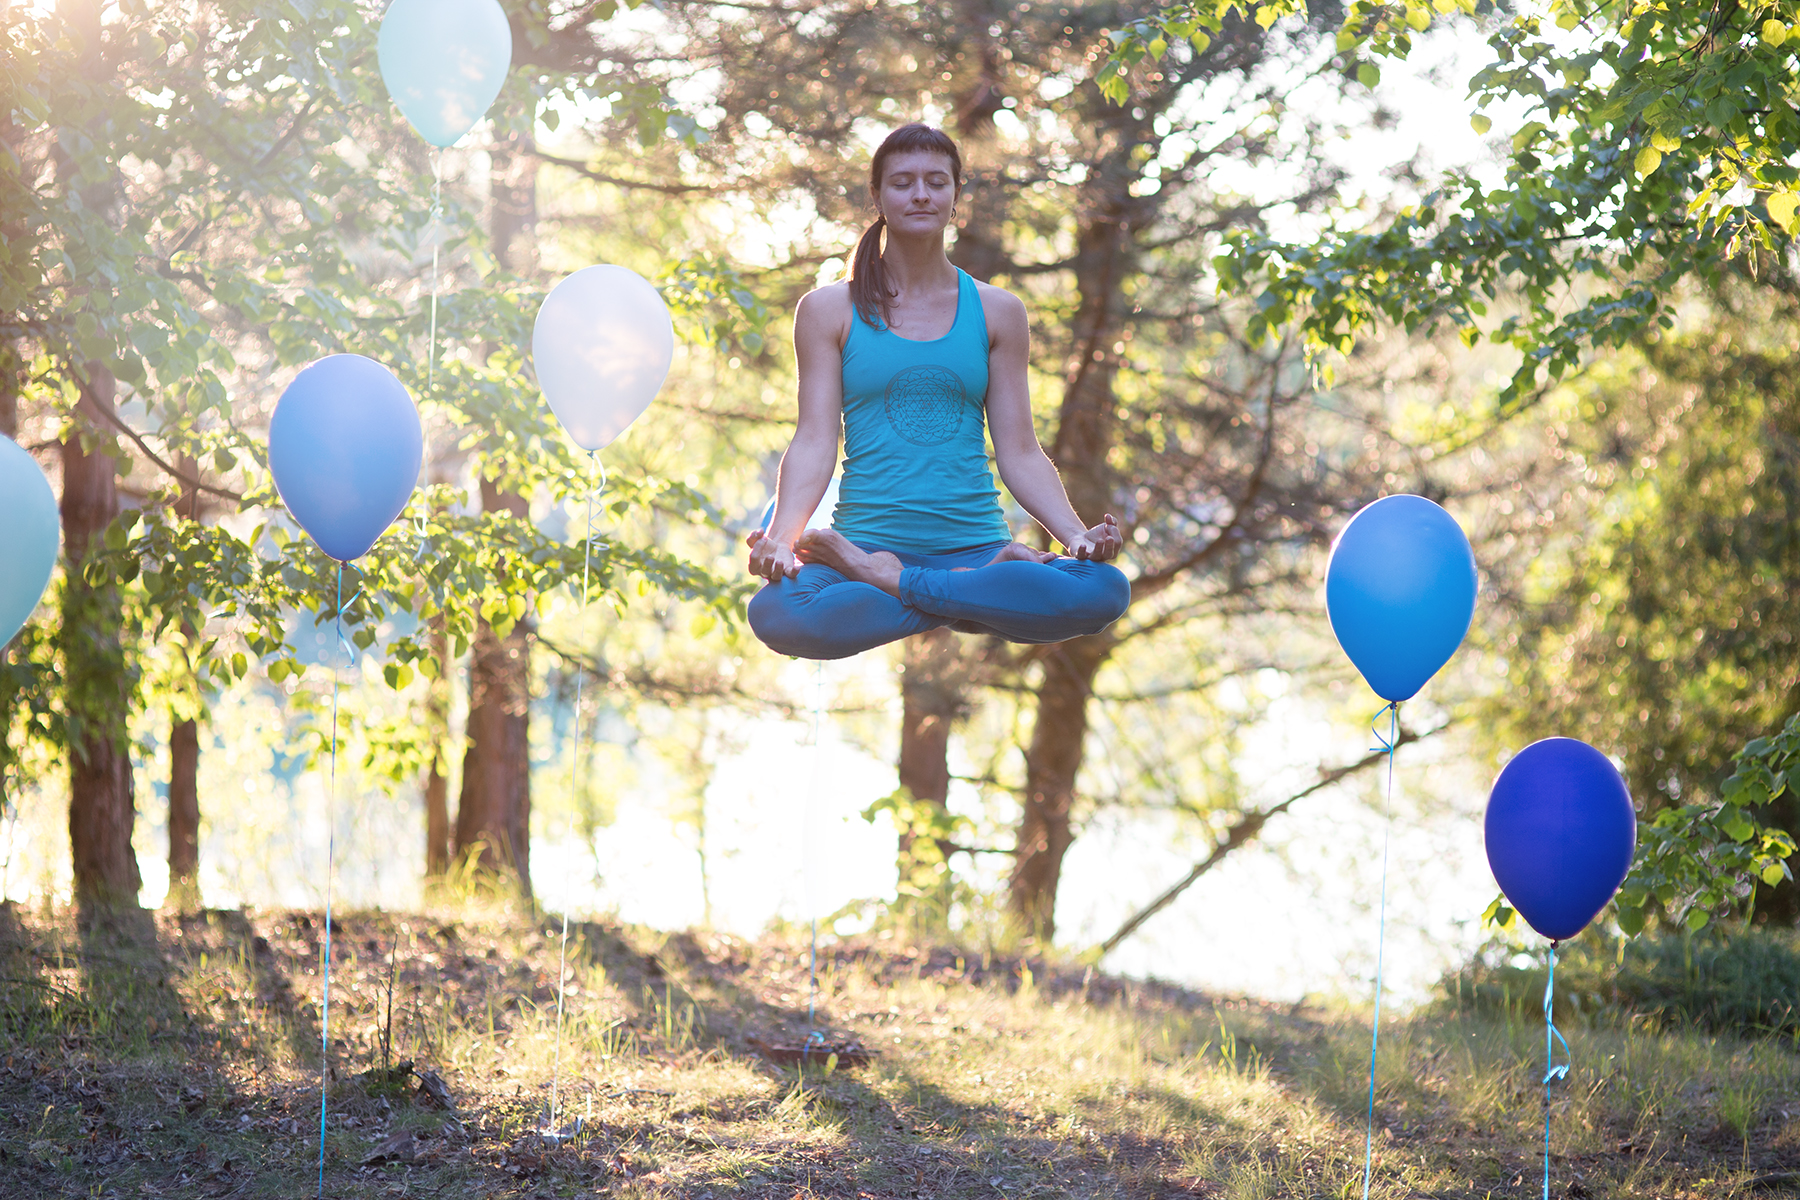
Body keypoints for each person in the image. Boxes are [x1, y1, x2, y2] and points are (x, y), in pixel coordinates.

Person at [746, 123, 1129, 660]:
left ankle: (899, 582)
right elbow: (813, 440)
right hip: (873, 543)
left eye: (936, 181)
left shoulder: (998, 312)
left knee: (1104, 591)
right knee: (777, 614)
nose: (921, 194)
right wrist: (784, 538)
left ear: (955, 196)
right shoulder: (828, 310)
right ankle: (974, 593)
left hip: (972, 546)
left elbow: (1019, 450)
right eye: (902, 182)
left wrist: (1076, 536)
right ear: (877, 196)